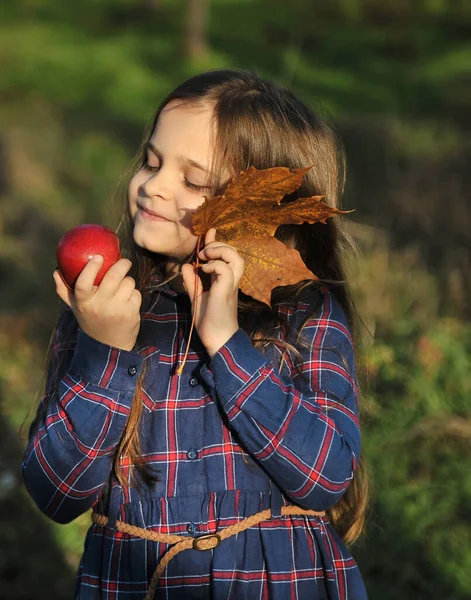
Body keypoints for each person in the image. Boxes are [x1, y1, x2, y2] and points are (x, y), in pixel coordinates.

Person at [22, 68, 368, 600]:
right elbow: (57, 491)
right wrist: (106, 352)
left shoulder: (302, 312)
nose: (152, 186)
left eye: (193, 181)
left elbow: (324, 477)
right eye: (152, 162)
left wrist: (228, 344)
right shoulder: (107, 307)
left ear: (256, 209)